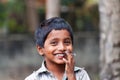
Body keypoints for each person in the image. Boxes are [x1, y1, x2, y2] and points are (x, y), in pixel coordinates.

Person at [25, 17, 90, 80]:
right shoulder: (33, 78)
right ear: (40, 49)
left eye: (67, 42)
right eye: (54, 43)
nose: (62, 48)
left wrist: (71, 75)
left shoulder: (81, 75)